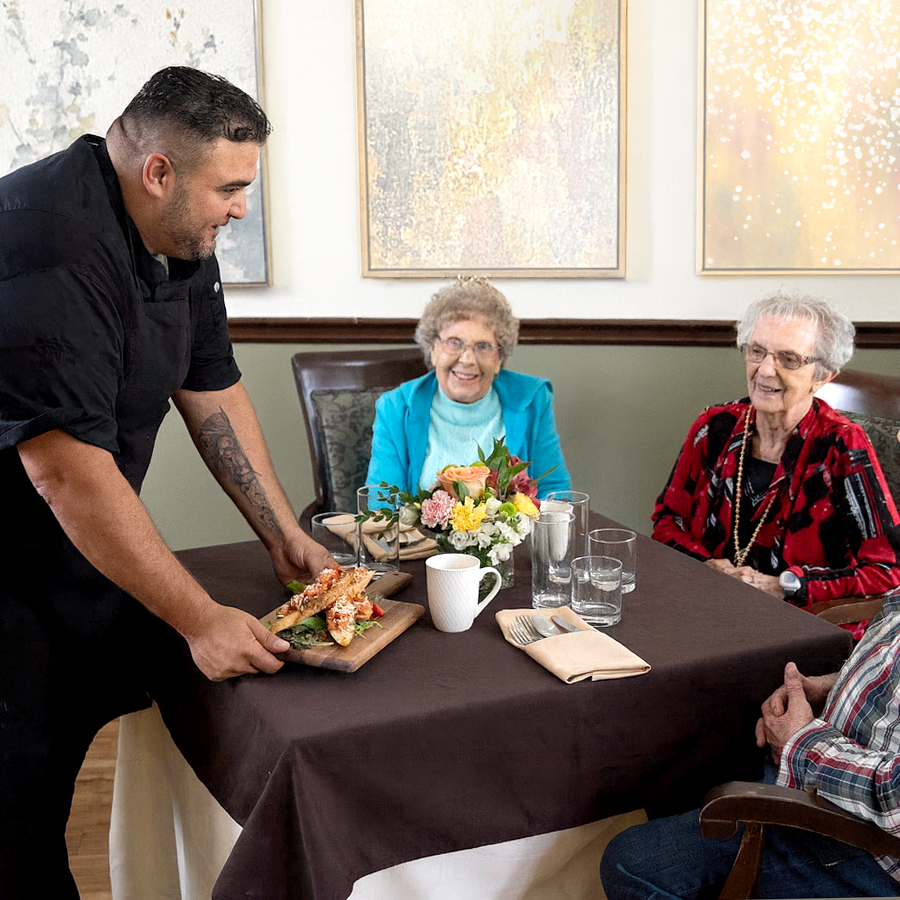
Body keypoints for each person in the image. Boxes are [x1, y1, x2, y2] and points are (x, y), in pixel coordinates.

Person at [0, 67, 334, 898]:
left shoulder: (179, 235)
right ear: (159, 172)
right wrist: (199, 619)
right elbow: (67, 473)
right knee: (15, 837)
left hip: (77, 564)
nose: (240, 208)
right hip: (7, 572)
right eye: (230, 186)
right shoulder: (41, 239)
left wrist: (283, 531)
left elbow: (210, 384)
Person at [600, 592, 900, 898]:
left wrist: (800, 742)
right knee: (687, 745)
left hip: (868, 846)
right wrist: (833, 686)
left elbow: (894, 801)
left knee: (629, 862)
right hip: (831, 767)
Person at [652, 291, 900, 610]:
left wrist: (788, 586)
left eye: (789, 358)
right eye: (757, 352)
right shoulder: (714, 427)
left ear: (822, 376)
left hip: (802, 625)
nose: (766, 370)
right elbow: (667, 522)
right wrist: (707, 567)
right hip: (705, 605)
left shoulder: (841, 444)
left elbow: (886, 569)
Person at [366, 276, 571, 498]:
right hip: (418, 534)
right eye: (454, 342)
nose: (467, 359)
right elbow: (383, 502)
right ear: (433, 349)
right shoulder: (396, 408)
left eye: (483, 346)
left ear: (499, 359)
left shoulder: (532, 400)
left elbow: (554, 491)